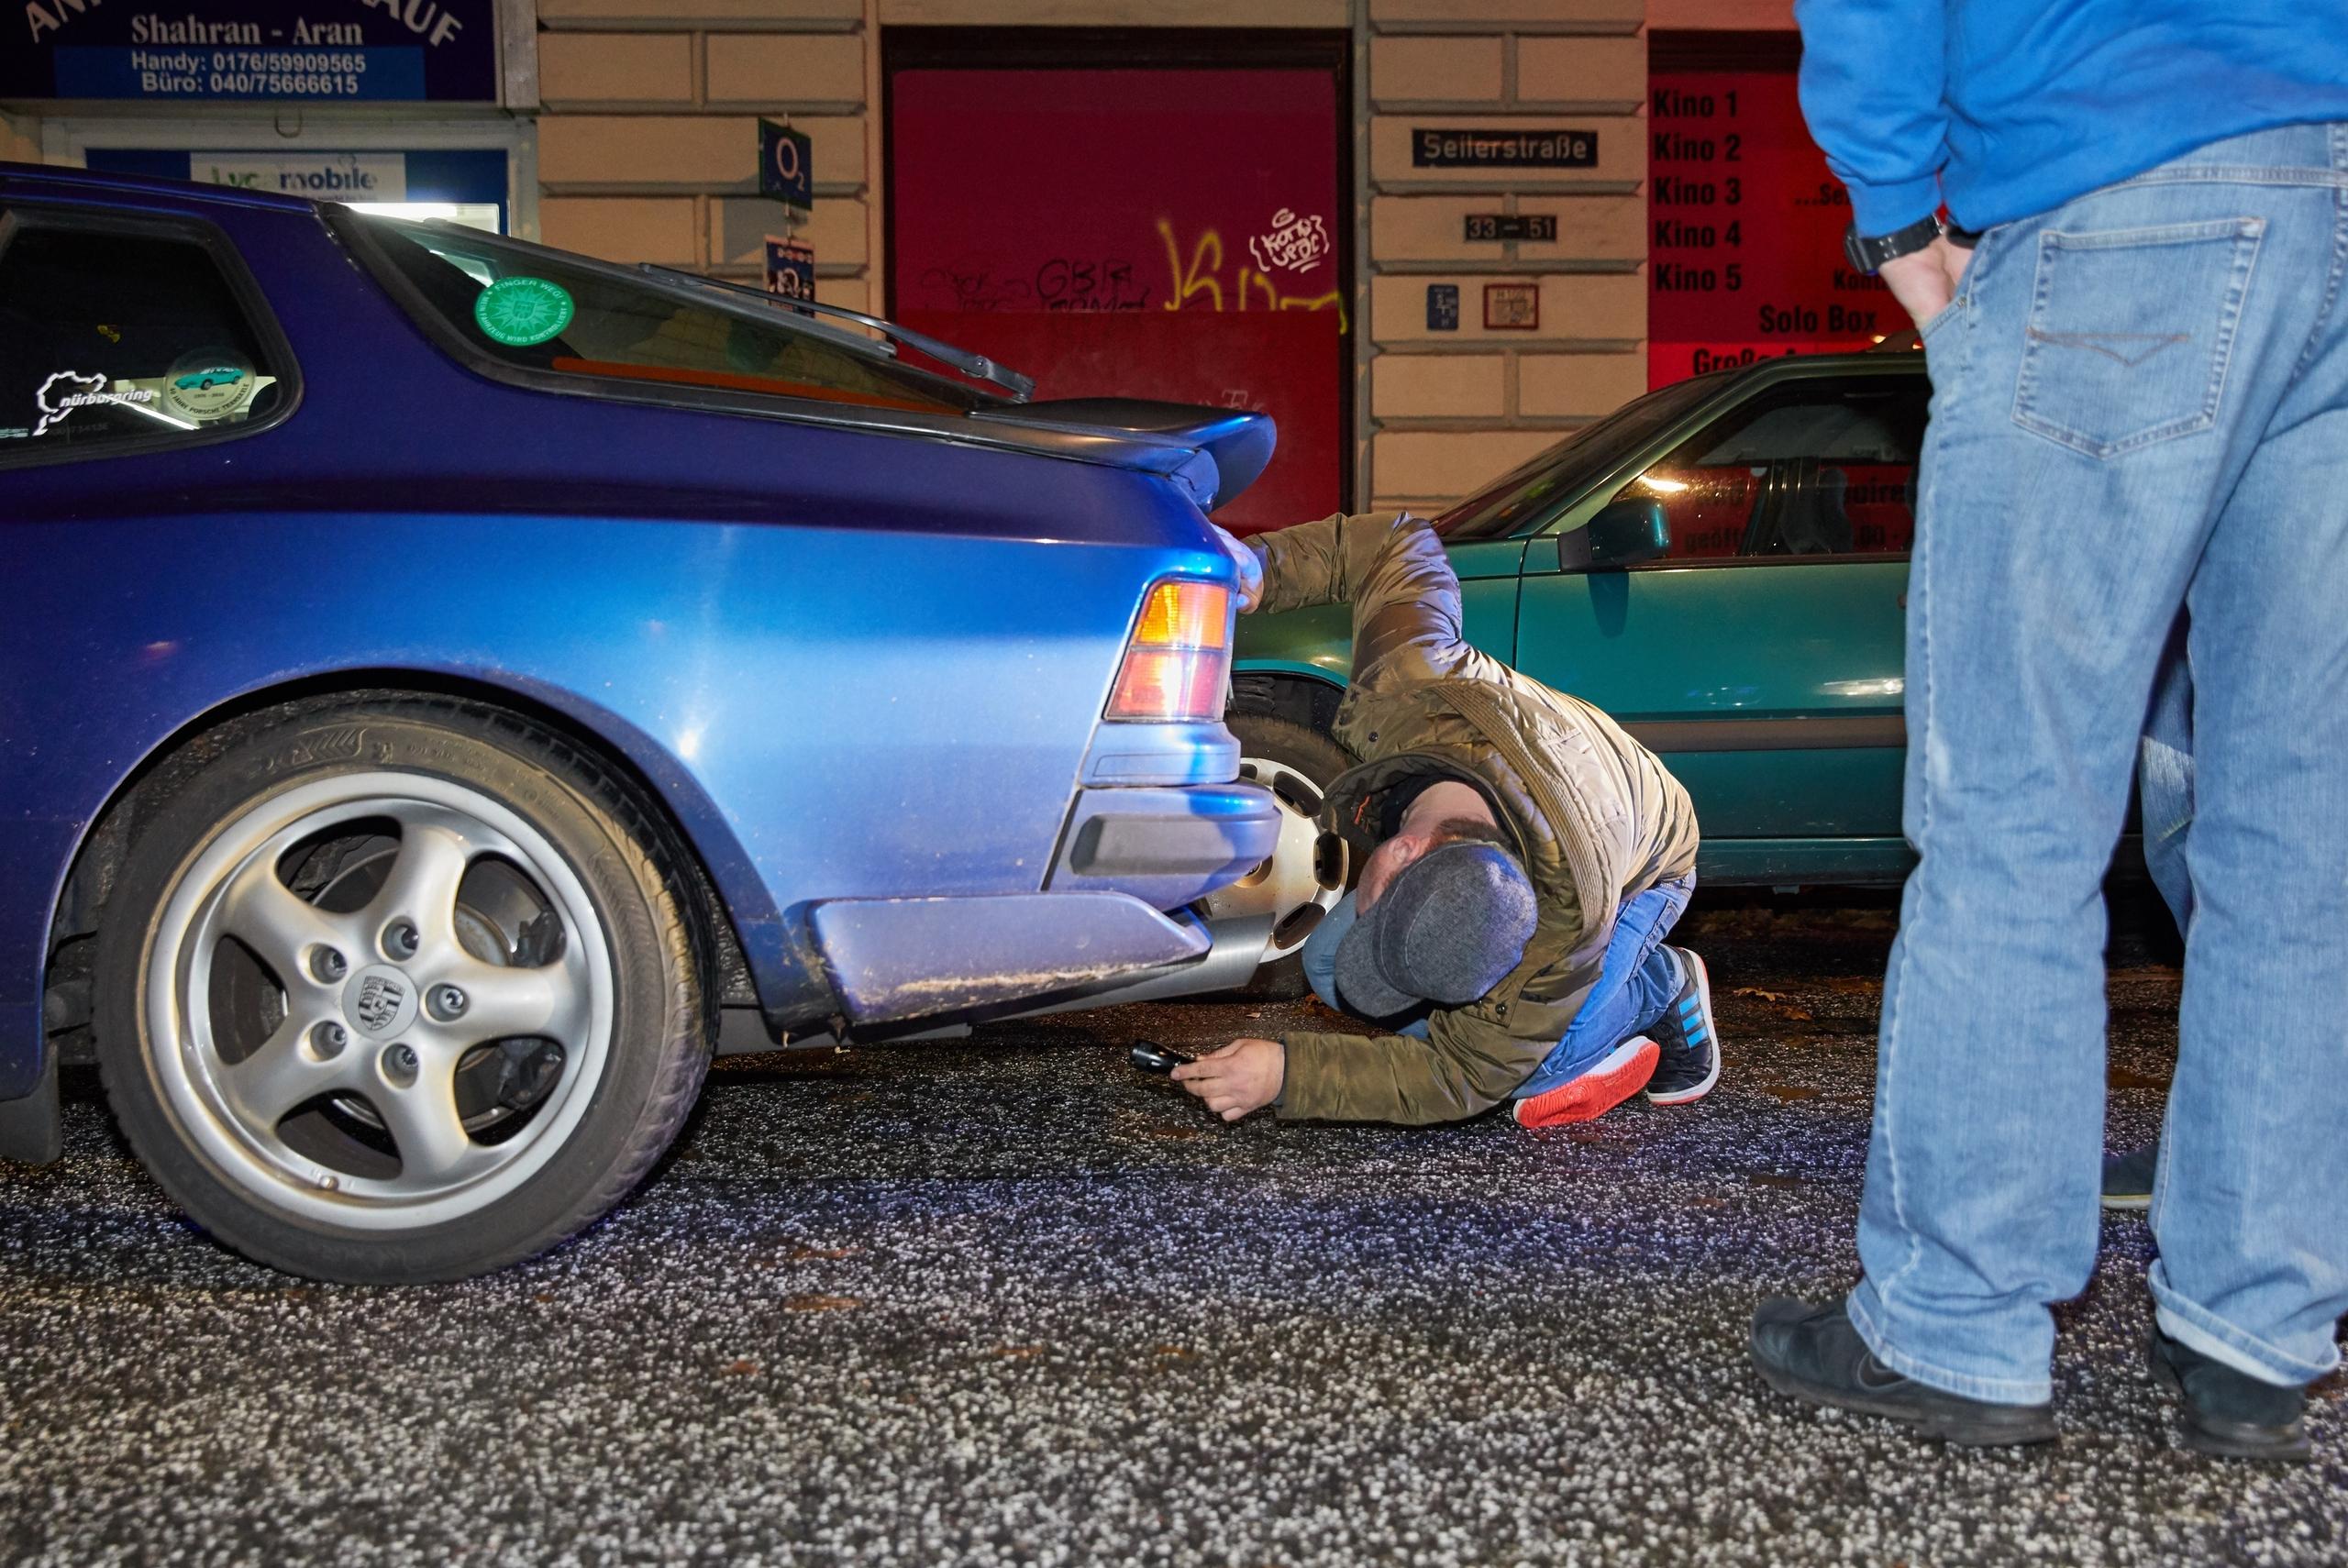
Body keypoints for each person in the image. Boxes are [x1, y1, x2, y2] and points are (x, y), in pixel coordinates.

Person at [1754, 0, 2348, 1461]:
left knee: (2015, 814)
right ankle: (2259, 1321)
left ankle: (1962, 1314)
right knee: (2300, 831)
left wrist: (1897, 221)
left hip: (2113, 202)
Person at [1168, 509, 1718, 1129]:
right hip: (1563, 774)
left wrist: (1286, 1075)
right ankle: (1525, 1016)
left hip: (1647, 856)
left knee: (1533, 1064)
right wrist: (1261, 567)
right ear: (1406, 850)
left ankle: (1661, 985)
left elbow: (1468, 1080)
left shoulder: (1571, 916)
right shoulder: (1411, 683)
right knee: (1331, 964)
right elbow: (1397, 542)